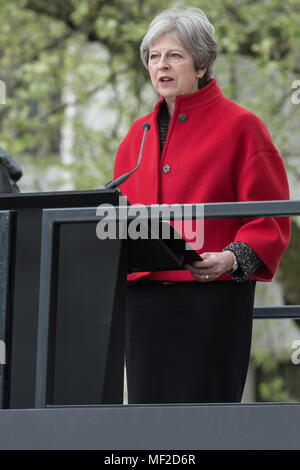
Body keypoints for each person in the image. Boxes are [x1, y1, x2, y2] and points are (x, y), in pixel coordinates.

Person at [113, 7, 291, 404]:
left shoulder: (243, 127)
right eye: (154, 56)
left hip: (211, 300)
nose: (162, 65)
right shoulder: (135, 136)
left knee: (206, 423)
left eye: (175, 55)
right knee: (148, 424)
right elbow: (120, 215)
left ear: (202, 63)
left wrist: (230, 258)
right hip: (144, 305)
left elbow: (272, 217)